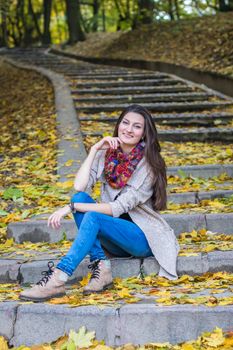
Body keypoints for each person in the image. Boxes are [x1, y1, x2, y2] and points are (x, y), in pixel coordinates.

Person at [19, 104, 179, 302]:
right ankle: (101, 268)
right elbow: (79, 186)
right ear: (118, 125)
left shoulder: (149, 165)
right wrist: (95, 149)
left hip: (141, 238)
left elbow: (117, 208)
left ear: (145, 133)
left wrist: (71, 208)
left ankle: (58, 278)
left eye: (137, 126)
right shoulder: (107, 154)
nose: (129, 129)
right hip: (114, 237)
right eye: (125, 123)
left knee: (88, 212)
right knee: (79, 199)